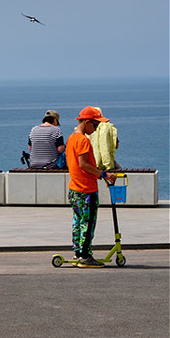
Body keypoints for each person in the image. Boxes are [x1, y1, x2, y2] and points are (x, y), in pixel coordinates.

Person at [66, 107, 116, 267]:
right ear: (87, 122)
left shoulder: (71, 138)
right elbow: (84, 164)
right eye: (95, 125)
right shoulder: (83, 140)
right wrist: (103, 174)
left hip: (74, 188)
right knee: (88, 224)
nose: (95, 128)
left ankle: (78, 252)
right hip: (86, 189)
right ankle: (85, 256)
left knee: (78, 222)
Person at [87, 106, 121, 171]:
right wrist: (108, 165)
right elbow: (109, 147)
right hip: (104, 165)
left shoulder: (85, 129)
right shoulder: (107, 126)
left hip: (90, 164)